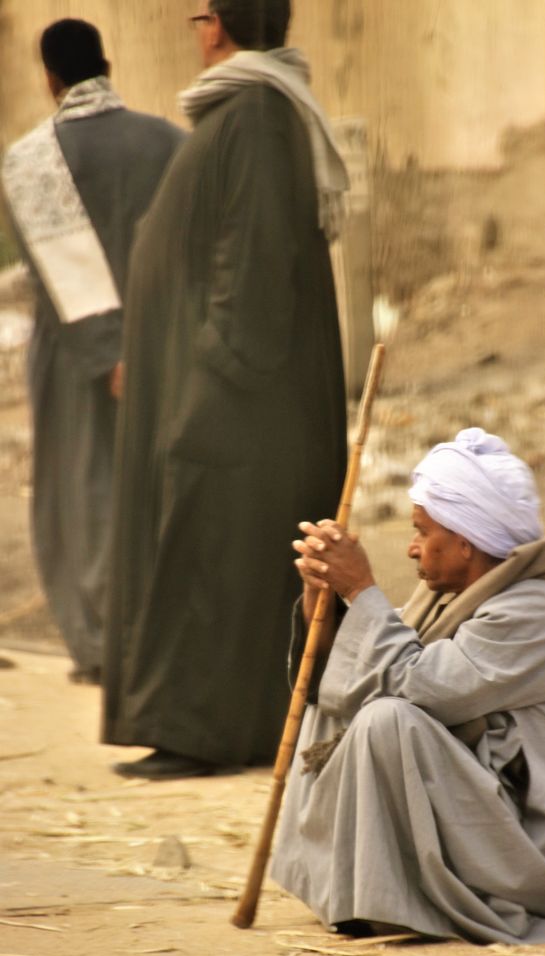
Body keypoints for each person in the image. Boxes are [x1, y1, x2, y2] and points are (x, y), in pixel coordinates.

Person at [103, 0, 348, 779]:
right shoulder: (250, 108)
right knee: (212, 558)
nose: (195, 29)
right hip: (219, 396)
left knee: (212, 556)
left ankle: (202, 734)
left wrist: (209, 376)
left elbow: (252, 266)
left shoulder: (256, 114)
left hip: (235, 405)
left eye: (199, 14)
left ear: (218, 26)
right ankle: (207, 728)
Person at [270, 428, 545, 945]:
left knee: (387, 716)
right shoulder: (440, 599)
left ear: (465, 542)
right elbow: (358, 668)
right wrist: (323, 598)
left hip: (510, 849)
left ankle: (408, 897)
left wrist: (360, 588)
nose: (411, 548)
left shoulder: (536, 610)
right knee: (344, 686)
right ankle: (349, 887)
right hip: (464, 816)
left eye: (422, 531)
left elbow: (426, 689)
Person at [1, 20, 183, 684]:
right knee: (152, 486)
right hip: (162, 343)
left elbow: (51, 267)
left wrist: (107, 352)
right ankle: (158, 638)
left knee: (77, 497)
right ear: (106, 64)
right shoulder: (169, 141)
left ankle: (103, 647)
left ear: (50, 78)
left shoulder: (31, 157)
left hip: (72, 354)